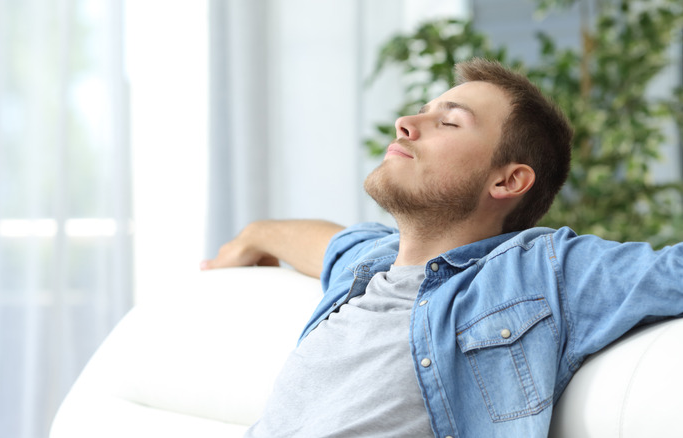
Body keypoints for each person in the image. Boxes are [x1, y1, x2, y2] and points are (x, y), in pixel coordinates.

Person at [200, 58, 683, 437]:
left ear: (508, 180)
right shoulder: (370, 265)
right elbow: (323, 241)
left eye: (448, 123)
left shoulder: (542, 271)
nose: (406, 123)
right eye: (422, 111)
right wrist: (250, 238)